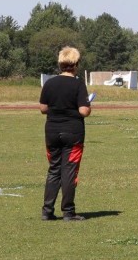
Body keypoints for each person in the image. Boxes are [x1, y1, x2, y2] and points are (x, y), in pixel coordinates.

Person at [39, 46, 92, 221]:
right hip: (73, 133)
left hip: (52, 131)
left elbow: (43, 108)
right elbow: (84, 111)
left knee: (54, 169)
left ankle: (47, 211)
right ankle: (68, 211)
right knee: (69, 171)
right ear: (76, 64)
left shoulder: (50, 83)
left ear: (60, 64)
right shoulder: (78, 84)